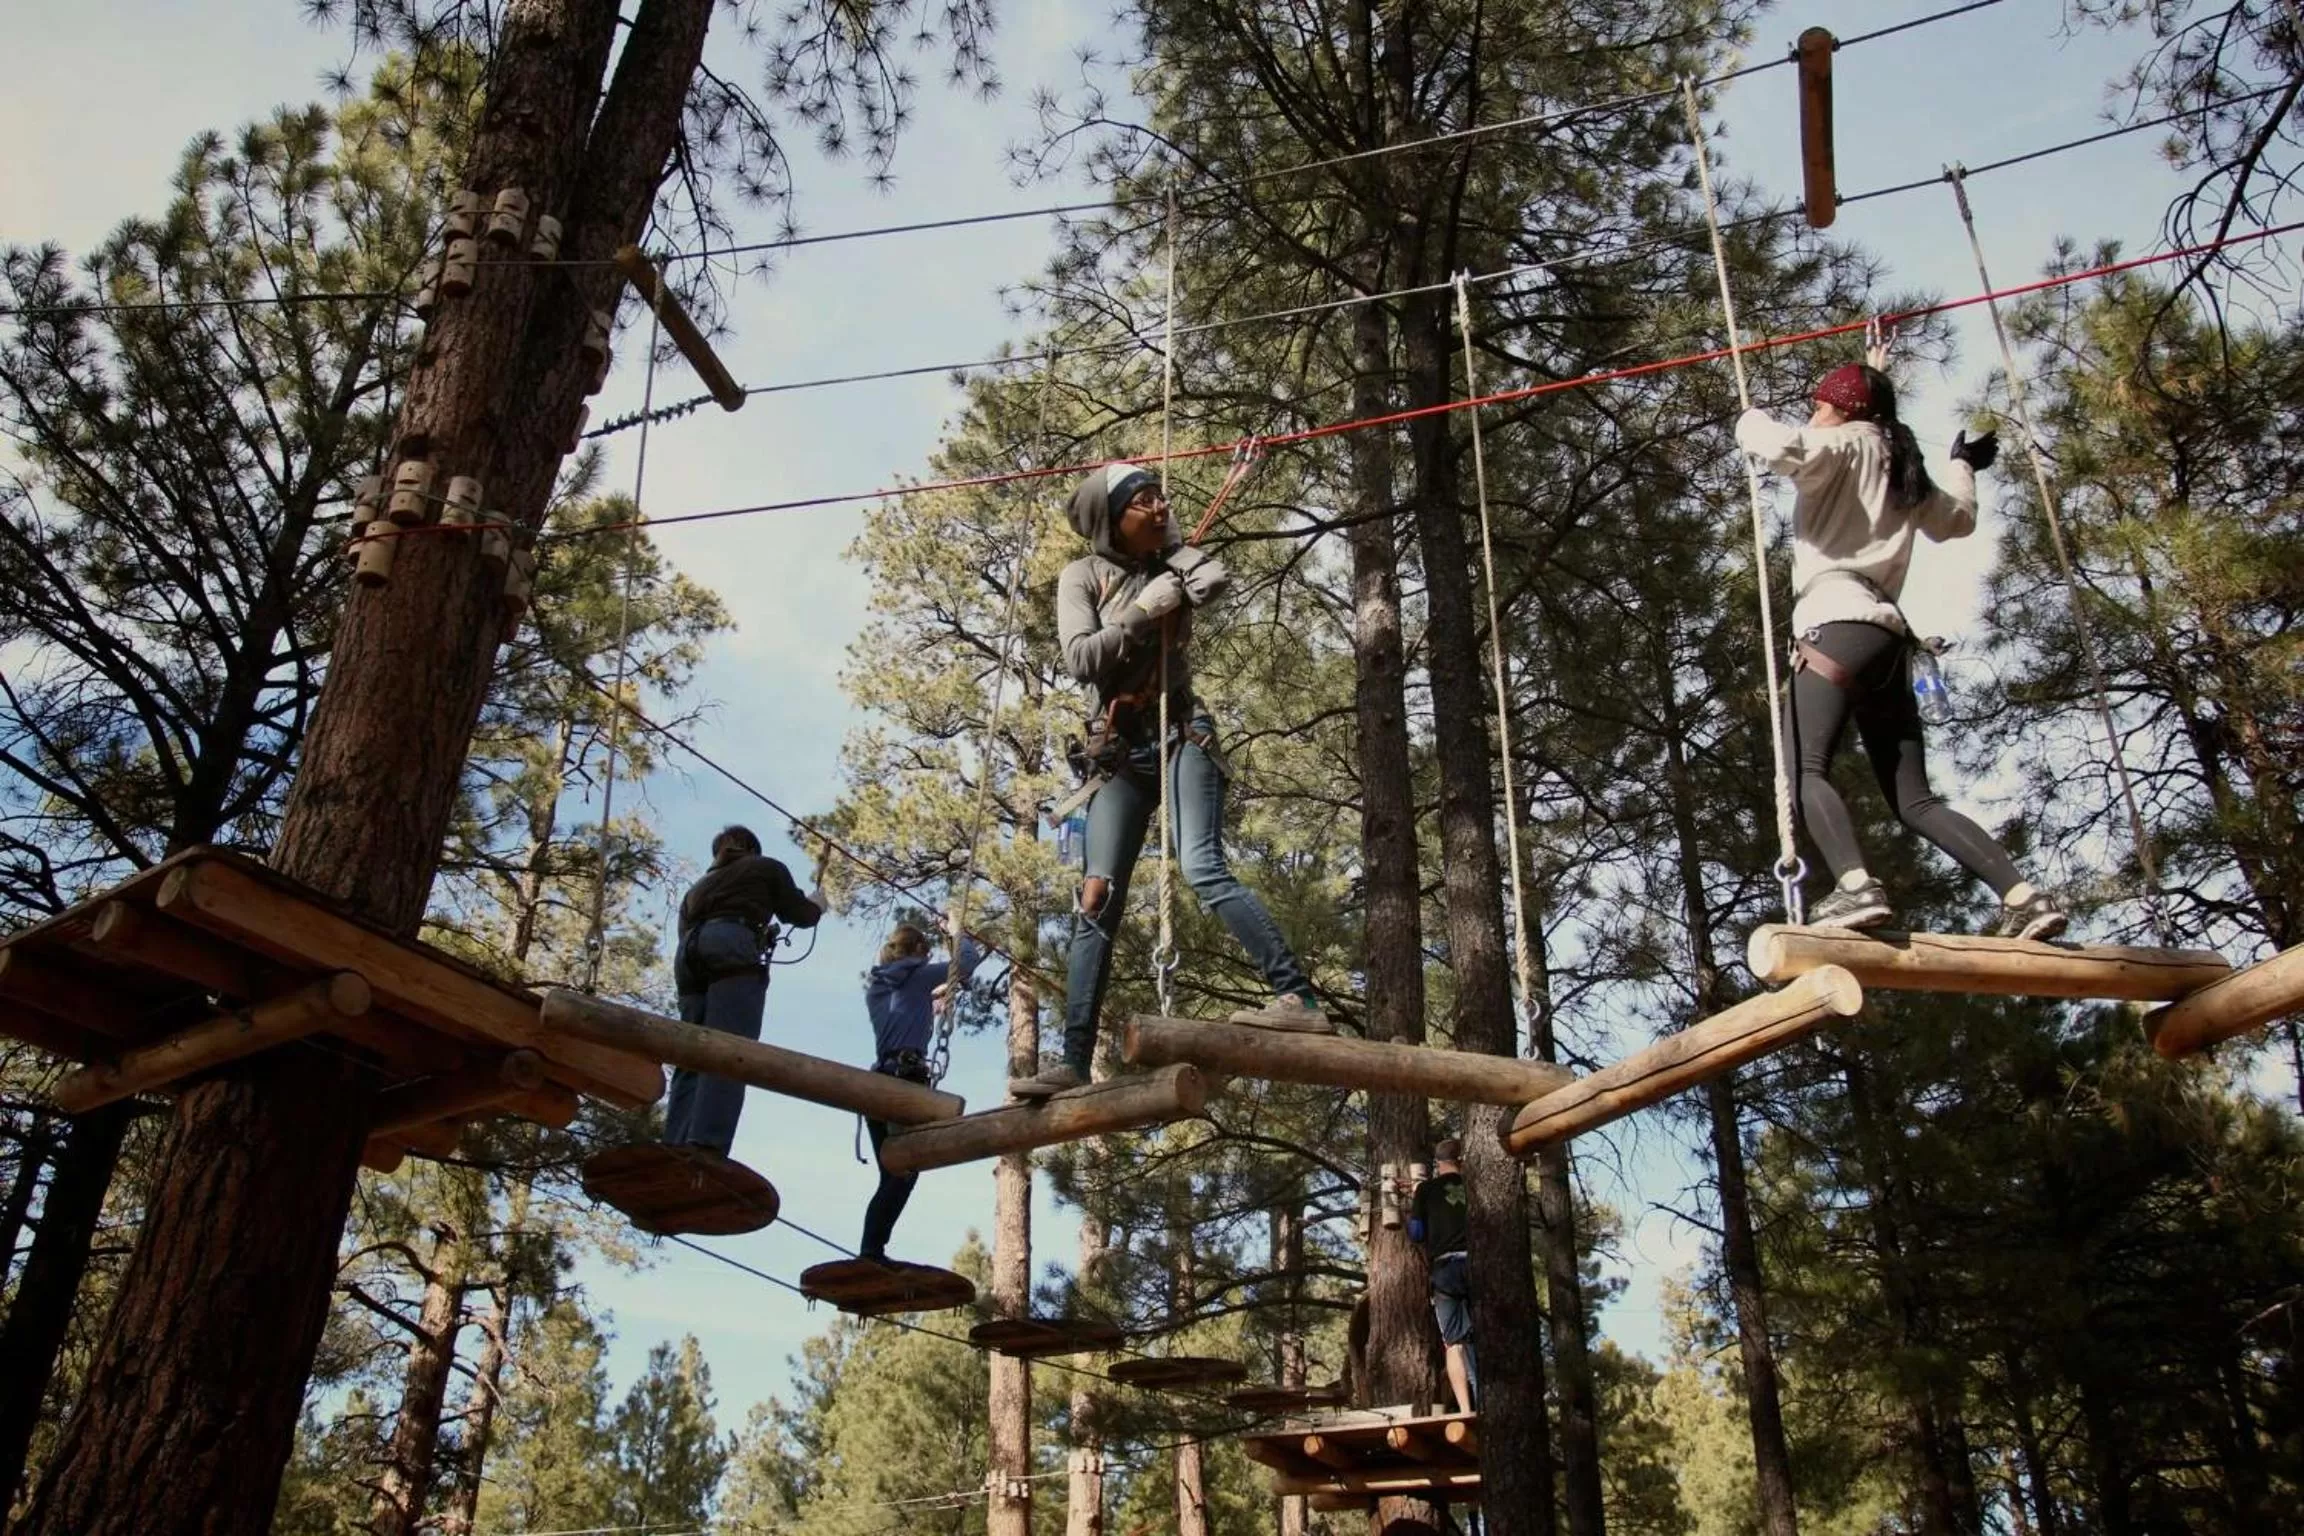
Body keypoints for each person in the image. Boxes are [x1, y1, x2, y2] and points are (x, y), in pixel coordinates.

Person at [1735, 331, 2068, 940]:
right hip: (1887, 639)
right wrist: (1962, 465)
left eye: (1819, 404)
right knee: (1916, 801)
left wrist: (1747, 415)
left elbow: (1778, 445)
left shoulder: (1836, 444)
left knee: (1804, 769)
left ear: (1838, 410)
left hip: (1834, 623)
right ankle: (2023, 896)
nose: (1813, 413)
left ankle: (1856, 886)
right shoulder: (1900, 464)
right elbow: (1957, 520)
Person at [1011, 463, 1329, 1099]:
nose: (1160, 507)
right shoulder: (1083, 576)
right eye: (1145, 501)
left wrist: (1176, 562)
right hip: (1122, 750)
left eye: (1163, 498)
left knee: (1201, 865)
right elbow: (1081, 658)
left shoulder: (1172, 562)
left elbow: (1213, 579)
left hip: (1182, 731)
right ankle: (1072, 1061)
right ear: (1112, 518)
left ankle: (1298, 999)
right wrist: (1138, 612)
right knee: (1096, 896)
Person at [664, 825, 824, 1155]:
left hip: (688, 955)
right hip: (731, 942)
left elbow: (684, 932)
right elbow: (800, 914)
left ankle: (674, 1143)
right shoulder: (765, 867)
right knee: (730, 1050)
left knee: (689, 1053)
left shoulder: (697, 888)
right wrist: (817, 905)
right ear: (751, 847)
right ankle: (706, 1146)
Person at [857, 914, 980, 1263]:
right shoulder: (917, 975)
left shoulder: (879, 986)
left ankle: (870, 1250)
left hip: (877, 1080)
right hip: (905, 1082)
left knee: (892, 1175)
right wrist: (956, 931)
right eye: (926, 952)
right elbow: (967, 962)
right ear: (919, 950)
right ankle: (872, 1252)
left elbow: (902, 1010)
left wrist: (929, 1000)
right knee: (903, 1173)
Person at [1407, 1139, 1476, 1416]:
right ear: (1462, 1160)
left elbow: (1416, 1233)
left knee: (1454, 1343)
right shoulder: (1475, 1186)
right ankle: (1488, 1403)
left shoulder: (1426, 1190)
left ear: (1438, 1163)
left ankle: (1466, 1410)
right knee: (1483, 1336)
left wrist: (1417, 1202)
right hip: (1476, 1264)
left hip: (1445, 1270)